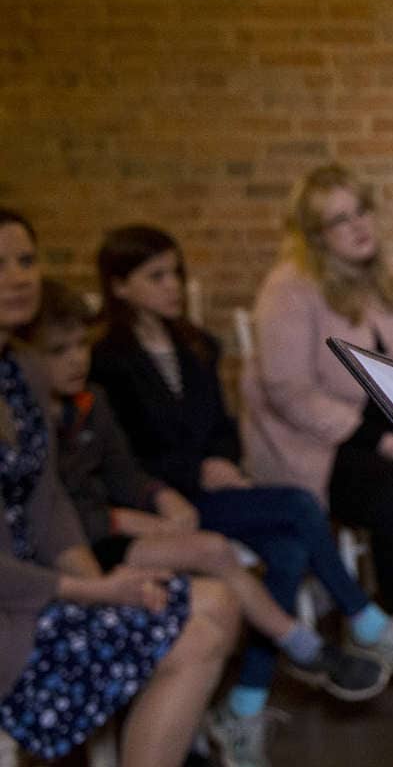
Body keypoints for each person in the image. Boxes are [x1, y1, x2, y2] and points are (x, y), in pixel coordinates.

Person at [90, 224, 393, 763]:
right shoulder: (107, 361)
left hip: (212, 491)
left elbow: (222, 427)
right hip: (160, 505)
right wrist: (194, 470)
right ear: (120, 287)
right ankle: (364, 622)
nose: (174, 286)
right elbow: (123, 457)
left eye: (176, 273)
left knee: (289, 547)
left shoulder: (196, 345)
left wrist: (223, 460)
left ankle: (245, 708)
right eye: (156, 276)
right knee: (298, 511)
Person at [23, 280, 393, 722]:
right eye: (59, 351)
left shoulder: (99, 396)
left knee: (286, 547)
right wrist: (131, 515)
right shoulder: (37, 411)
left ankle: (257, 695)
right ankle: (319, 641)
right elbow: (46, 508)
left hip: (147, 512)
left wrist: (161, 497)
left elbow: (126, 469)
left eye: (80, 345)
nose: (76, 358)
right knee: (248, 533)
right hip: (84, 542)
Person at [240, 164, 393, 710]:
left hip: (383, 424)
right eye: (338, 220)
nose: (358, 226)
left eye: (361, 211)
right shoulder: (289, 287)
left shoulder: (392, 272)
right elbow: (287, 392)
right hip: (313, 443)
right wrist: (378, 440)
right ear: (316, 235)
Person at [0, 208, 240, 767]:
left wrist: (101, 578)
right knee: (197, 633)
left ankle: (164, 743)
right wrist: (95, 593)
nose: (17, 277)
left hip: (45, 588)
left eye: (26, 260)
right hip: (14, 614)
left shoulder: (21, 373)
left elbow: (47, 501)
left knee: (220, 600)